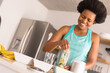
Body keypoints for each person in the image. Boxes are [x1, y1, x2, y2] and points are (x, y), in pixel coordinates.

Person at [43, 0, 107, 72]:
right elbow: (45, 48)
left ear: (93, 22)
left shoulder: (94, 37)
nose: (84, 21)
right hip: (59, 70)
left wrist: (73, 67)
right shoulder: (65, 29)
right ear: (80, 14)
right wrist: (58, 43)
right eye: (83, 16)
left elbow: (91, 62)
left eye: (89, 20)